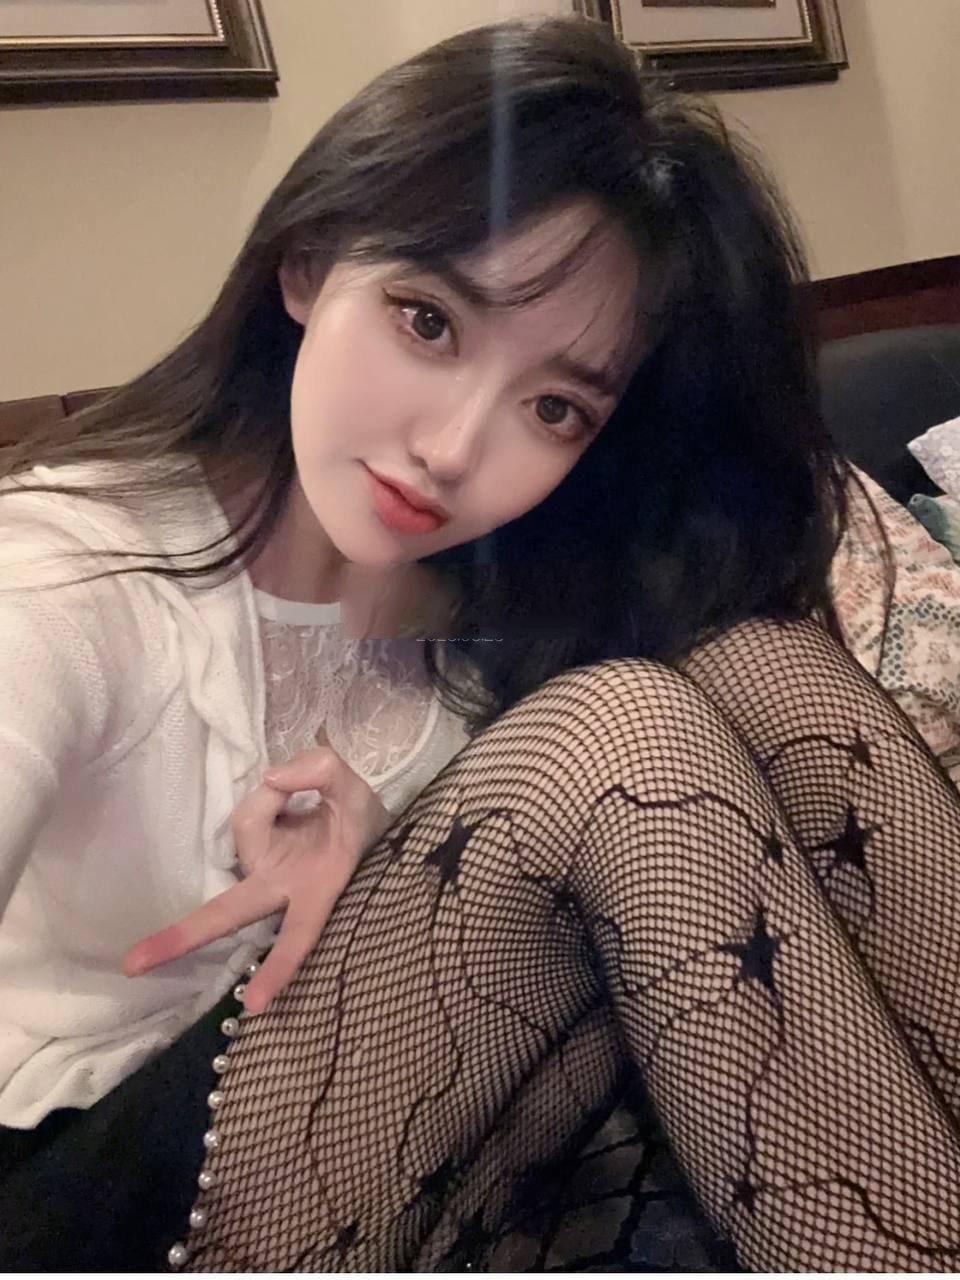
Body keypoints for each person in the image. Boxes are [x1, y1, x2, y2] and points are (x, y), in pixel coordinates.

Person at [2, 12, 960, 1273]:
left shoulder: (500, 606)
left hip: (384, 1137)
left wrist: (386, 879)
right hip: (72, 1194)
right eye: (429, 321)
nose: (453, 449)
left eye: (554, 405)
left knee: (756, 665)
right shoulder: (71, 574)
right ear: (308, 264)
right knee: (619, 730)